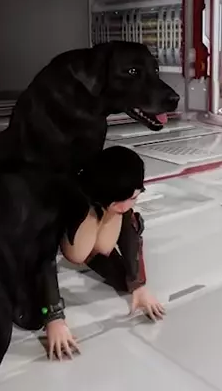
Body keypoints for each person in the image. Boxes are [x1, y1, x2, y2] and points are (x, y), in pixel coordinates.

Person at [13, 146, 165, 360]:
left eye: (133, 197)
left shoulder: (119, 207)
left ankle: (95, 254)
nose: (126, 205)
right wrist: (54, 316)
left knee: (124, 275)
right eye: (121, 200)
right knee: (31, 315)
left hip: (87, 233)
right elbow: (42, 252)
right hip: (28, 242)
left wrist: (138, 284)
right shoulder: (66, 204)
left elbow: (128, 234)